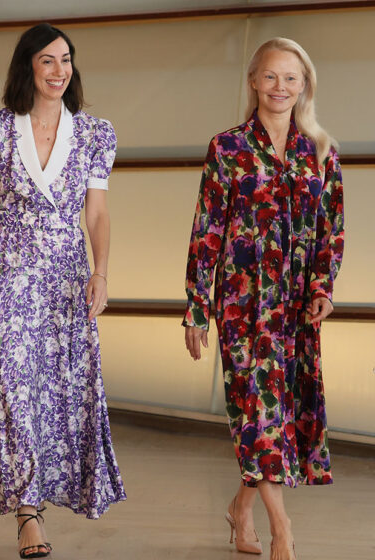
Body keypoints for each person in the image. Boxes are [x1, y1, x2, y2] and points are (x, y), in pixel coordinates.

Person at [0, 23, 126, 559]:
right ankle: (27, 508)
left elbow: (96, 211)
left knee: (57, 391)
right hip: (8, 272)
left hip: (65, 276)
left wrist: (100, 272)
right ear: (27, 66)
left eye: (67, 60)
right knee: (11, 384)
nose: (60, 71)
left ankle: (49, 490)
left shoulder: (97, 133)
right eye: (48, 61)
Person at [183, 37, 344, 560]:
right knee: (257, 411)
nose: (280, 87)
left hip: (296, 309)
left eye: (291, 78)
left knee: (279, 416)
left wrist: (323, 287)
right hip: (241, 306)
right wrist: (196, 309)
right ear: (253, 81)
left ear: (305, 86)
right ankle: (282, 528)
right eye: (271, 76)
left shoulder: (320, 152)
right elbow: (207, 232)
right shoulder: (227, 148)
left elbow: (331, 231)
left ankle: (240, 509)